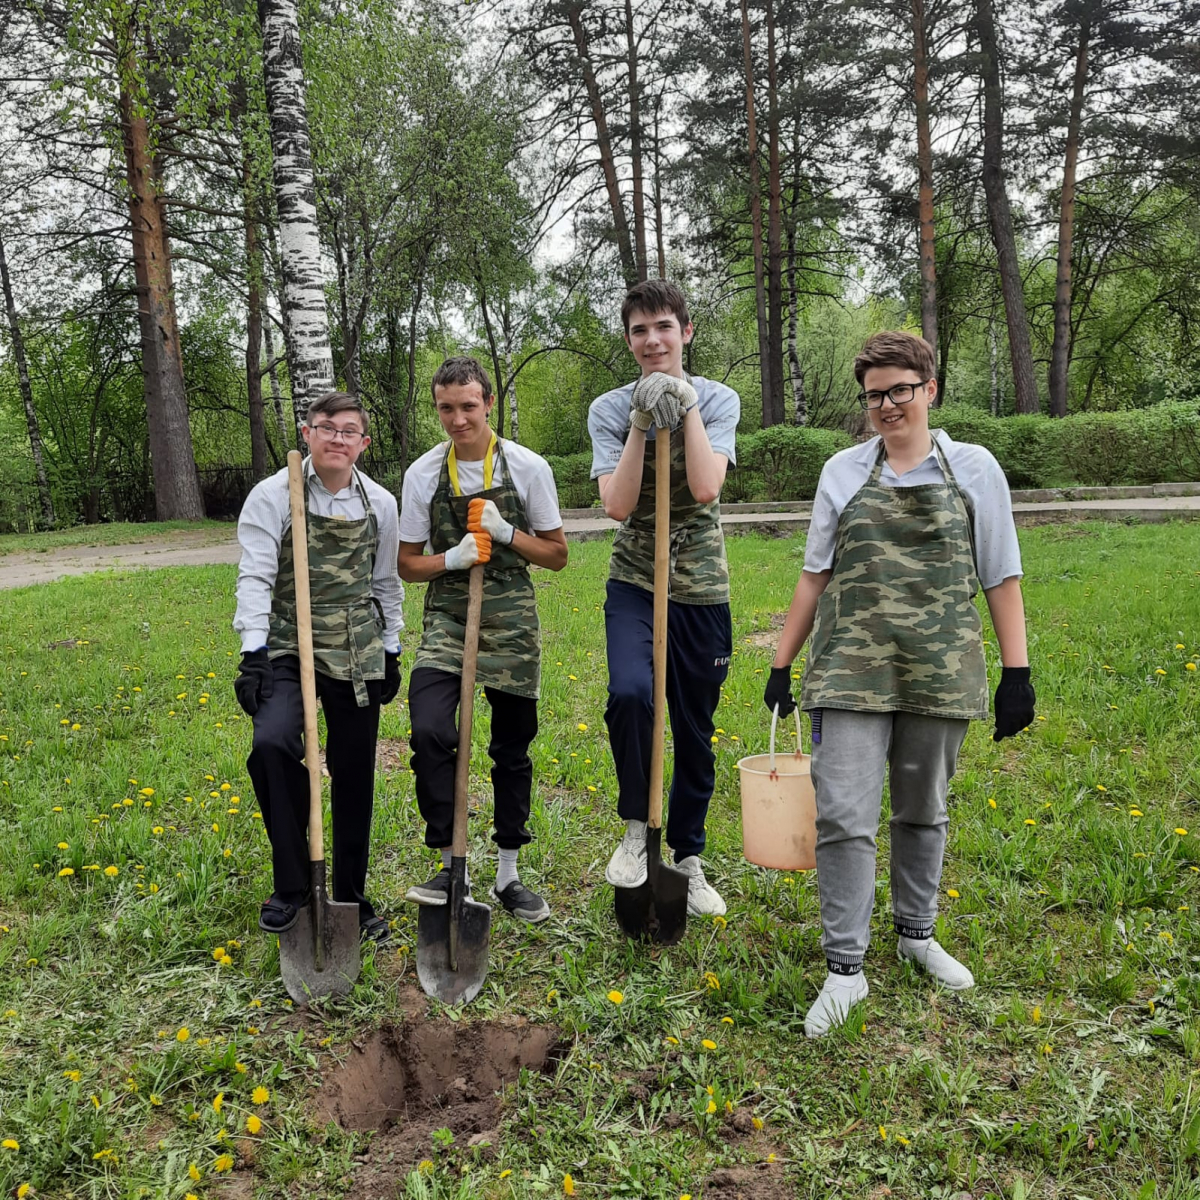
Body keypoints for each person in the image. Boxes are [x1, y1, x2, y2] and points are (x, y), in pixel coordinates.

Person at [765, 330, 1035, 1037]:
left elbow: (1000, 573)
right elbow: (814, 573)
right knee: (843, 817)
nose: (886, 405)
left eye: (899, 390)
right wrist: (779, 663)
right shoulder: (842, 472)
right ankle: (844, 970)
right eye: (874, 395)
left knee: (924, 809)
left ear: (929, 389)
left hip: (940, 672)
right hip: (850, 672)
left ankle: (917, 935)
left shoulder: (974, 469)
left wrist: (1018, 672)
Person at [588, 279, 739, 917]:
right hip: (634, 579)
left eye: (664, 328)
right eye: (640, 331)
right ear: (629, 342)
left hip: (700, 584)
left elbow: (706, 488)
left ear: (686, 332)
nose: (653, 341)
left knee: (694, 729)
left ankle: (689, 856)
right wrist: (643, 423)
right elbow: (617, 505)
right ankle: (633, 831)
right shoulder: (608, 408)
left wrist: (689, 408)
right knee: (630, 694)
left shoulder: (722, 399)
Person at [399, 356, 568, 922]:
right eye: (446, 408)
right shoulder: (423, 474)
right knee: (429, 730)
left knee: (511, 748)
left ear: (489, 403)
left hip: (513, 619)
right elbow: (407, 564)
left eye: (469, 405)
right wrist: (452, 556)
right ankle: (452, 862)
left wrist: (506, 533)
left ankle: (508, 874)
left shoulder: (527, 467)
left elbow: (558, 555)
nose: (458, 419)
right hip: (448, 615)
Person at [233, 391, 403, 946]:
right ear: (307, 434)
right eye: (326, 427)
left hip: (356, 648)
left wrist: (393, 647)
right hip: (287, 643)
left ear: (363, 443)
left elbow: (384, 583)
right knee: (273, 743)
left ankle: (350, 894)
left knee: (354, 770)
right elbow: (255, 577)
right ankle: (293, 886)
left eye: (348, 430)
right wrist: (253, 654)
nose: (337, 437)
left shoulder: (380, 503)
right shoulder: (273, 495)